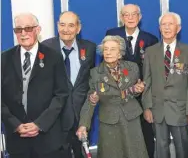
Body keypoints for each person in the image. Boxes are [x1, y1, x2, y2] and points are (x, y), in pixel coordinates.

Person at [1, 13, 70, 158]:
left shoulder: (54, 57)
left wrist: (40, 124)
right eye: (19, 30)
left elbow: (61, 94)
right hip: (17, 140)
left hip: (47, 138)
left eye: (28, 28)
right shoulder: (4, 59)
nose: (23, 33)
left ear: (38, 30)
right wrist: (16, 125)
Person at [76, 35, 148, 158]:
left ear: (120, 53)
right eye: (105, 49)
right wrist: (83, 125)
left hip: (131, 119)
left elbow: (136, 92)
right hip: (109, 122)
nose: (108, 52)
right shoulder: (95, 73)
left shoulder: (132, 68)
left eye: (112, 49)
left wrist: (137, 90)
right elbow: (91, 101)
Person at [142, 12, 188, 158]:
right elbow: (146, 81)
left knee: (182, 147)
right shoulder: (150, 52)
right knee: (161, 148)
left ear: (178, 28)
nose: (166, 28)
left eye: (170, 24)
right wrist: (147, 107)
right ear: (159, 28)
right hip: (157, 109)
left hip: (180, 109)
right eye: (163, 24)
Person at [105, 4, 158, 158]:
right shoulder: (112, 35)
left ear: (139, 17)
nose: (130, 18)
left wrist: (144, 87)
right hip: (119, 94)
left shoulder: (151, 39)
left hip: (143, 96)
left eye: (134, 14)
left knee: (145, 134)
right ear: (121, 18)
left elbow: (154, 70)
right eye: (126, 15)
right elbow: (106, 64)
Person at [42, 11, 96, 158]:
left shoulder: (89, 48)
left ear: (78, 29)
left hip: (81, 116)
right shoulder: (45, 48)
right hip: (56, 117)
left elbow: (90, 79)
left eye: (71, 25)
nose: (66, 29)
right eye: (62, 24)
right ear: (57, 26)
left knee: (82, 153)